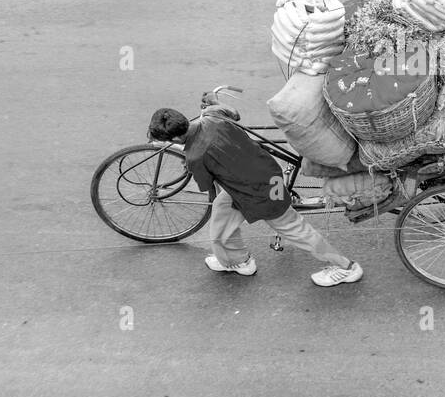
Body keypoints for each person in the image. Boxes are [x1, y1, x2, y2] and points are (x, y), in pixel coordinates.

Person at [147, 107, 364, 287]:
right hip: (268, 174)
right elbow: (233, 113)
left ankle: (346, 267)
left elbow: (206, 184)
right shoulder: (212, 116)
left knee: (295, 229)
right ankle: (237, 261)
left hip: (256, 193)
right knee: (221, 218)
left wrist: (186, 156)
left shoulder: (196, 156)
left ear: (175, 137)